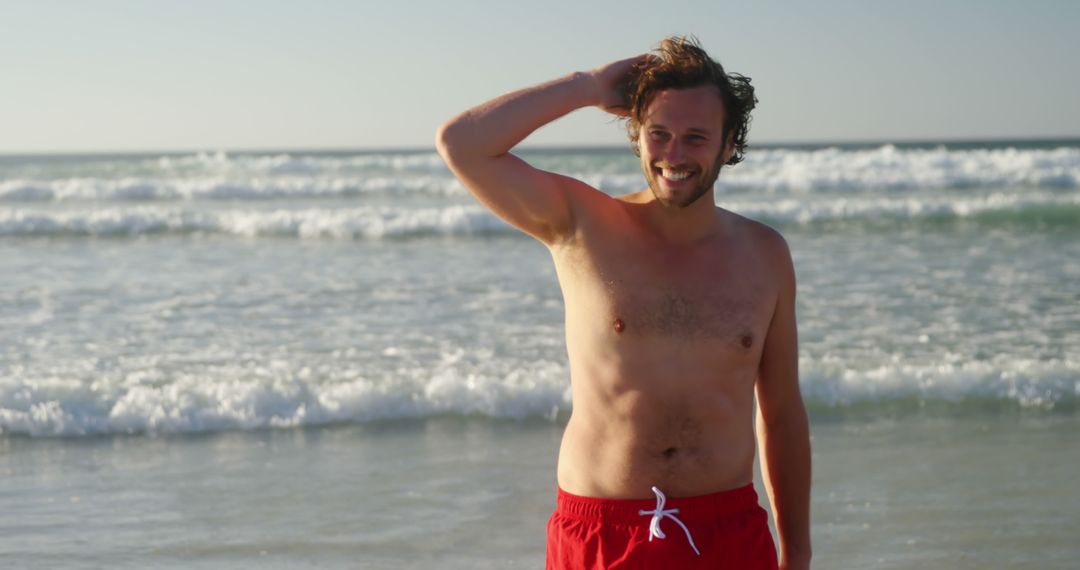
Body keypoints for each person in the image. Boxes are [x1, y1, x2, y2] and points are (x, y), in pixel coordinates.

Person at [436, 36, 810, 570]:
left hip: (729, 533)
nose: (673, 155)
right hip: (601, 532)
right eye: (658, 134)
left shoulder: (765, 255)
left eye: (696, 137)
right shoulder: (581, 226)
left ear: (729, 145)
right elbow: (461, 143)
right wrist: (585, 86)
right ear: (637, 136)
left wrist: (796, 553)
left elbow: (782, 414)